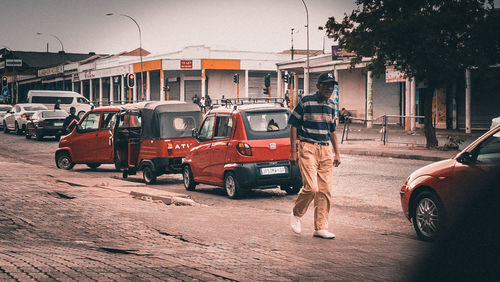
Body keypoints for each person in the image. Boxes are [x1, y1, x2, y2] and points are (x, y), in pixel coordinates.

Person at [288, 72, 341, 239]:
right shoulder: (306, 101)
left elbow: (332, 131)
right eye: (326, 85)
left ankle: (320, 227)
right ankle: (296, 214)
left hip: (325, 149)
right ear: (318, 86)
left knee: (324, 191)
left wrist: (337, 153)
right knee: (311, 187)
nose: (329, 88)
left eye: (332, 85)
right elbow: (293, 125)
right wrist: (293, 151)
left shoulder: (332, 105)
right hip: (308, 147)